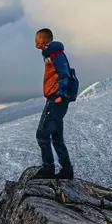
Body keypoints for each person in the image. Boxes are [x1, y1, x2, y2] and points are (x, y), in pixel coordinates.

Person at [34, 28, 78, 180]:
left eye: (37, 40)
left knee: (42, 133)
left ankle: (48, 169)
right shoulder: (50, 53)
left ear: (44, 41)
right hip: (56, 97)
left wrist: (60, 94)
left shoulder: (55, 53)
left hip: (57, 97)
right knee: (56, 134)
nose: (35, 43)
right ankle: (67, 170)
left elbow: (64, 73)